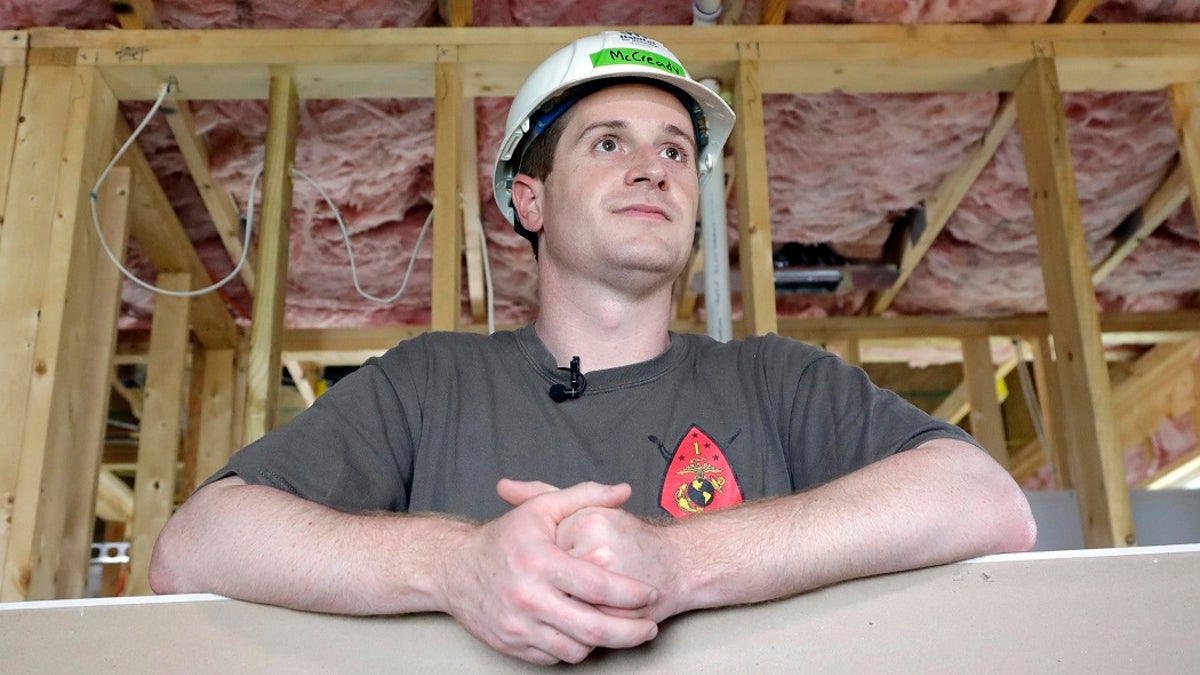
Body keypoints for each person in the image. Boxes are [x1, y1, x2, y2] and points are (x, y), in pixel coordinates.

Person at [150, 31, 1036, 666]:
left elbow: (984, 501)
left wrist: (680, 564)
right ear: (529, 202)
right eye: (609, 143)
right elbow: (196, 545)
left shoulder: (777, 379)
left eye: (678, 151)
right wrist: (456, 565)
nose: (654, 168)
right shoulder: (429, 383)